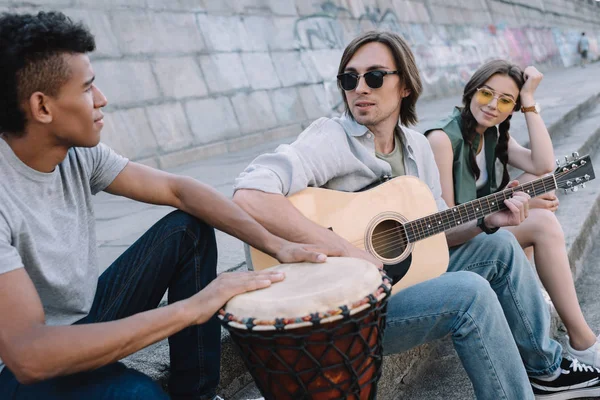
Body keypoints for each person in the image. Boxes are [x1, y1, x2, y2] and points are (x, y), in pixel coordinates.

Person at [232, 31, 600, 399]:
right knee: (468, 293)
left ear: (405, 85)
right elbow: (251, 194)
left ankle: (545, 371)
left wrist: (487, 221)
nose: (360, 88)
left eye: (375, 77)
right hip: (344, 312)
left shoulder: (417, 147)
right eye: (350, 78)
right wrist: (345, 250)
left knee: (500, 245)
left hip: (395, 284)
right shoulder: (331, 138)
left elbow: (437, 232)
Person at [0, 11, 334, 400]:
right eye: (88, 88)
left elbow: (180, 190)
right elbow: (29, 356)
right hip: (21, 373)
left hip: (82, 319)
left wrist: (276, 244)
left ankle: (199, 394)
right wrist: (194, 308)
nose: (102, 99)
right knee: (139, 394)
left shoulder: (76, 154)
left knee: (186, 230)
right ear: (42, 108)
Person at [424, 59, 600, 369]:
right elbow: (445, 228)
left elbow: (544, 165)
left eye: (506, 100)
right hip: (450, 246)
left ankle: (532, 291)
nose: (493, 105)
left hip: (481, 226)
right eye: (486, 94)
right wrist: (525, 208)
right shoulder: (442, 139)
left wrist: (529, 101)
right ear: (470, 92)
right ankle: (583, 342)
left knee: (538, 184)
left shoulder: (492, 133)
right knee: (542, 221)